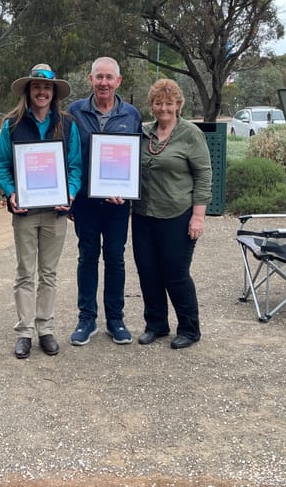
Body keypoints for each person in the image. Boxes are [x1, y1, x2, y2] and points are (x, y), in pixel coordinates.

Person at [0, 64, 83, 359]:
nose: (41, 92)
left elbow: (75, 167)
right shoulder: (13, 124)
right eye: (36, 87)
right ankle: (24, 332)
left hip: (56, 212)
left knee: (49, 273)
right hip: (26, 212)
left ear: (53, 92)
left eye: (46, 88)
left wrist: (70, 192)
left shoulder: (67, 124)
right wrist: (12, 192)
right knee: (24, 273)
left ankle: (45, 329)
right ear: (28, 92)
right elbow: (1, 165)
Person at [131, 79, 212, 349]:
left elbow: (203, 175)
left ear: (178, 105)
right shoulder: (143, 133)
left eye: (169, 103)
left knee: (175, 274)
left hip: (178, 214)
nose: (163, 108)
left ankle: (189, 328)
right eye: (158, 103)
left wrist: (198, 216)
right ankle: (156, 324)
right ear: (151, 106)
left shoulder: (190, 134)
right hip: (143, 214)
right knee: (148, 272)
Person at [67, 57, 143, 346]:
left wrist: (125, 189)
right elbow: (70, 155)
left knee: (115, 258)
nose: (104, 83)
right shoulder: (75, 112)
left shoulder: (131, 115)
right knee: (87, 257)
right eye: (99, 77)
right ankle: (86, 319)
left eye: (109, 77)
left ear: (118, 81)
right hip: (86, 203)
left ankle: (115, 319)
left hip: (118, 205)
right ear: (90, 79)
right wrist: (72, 198)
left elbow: (135, 159)